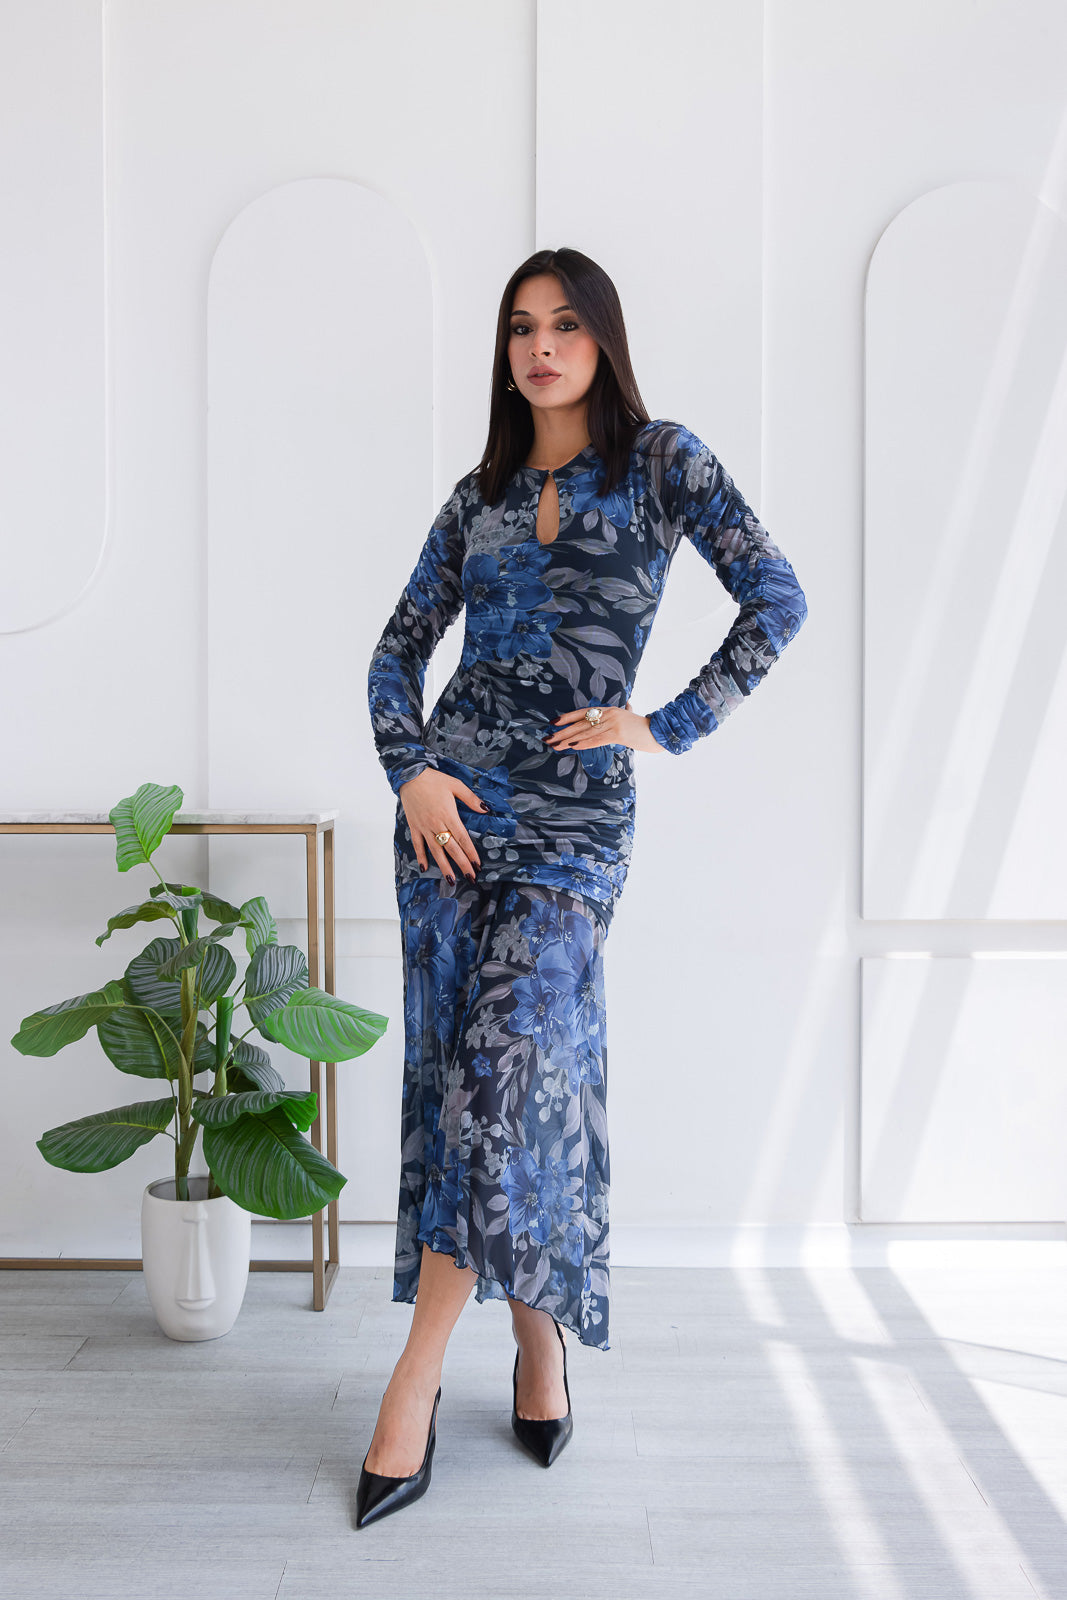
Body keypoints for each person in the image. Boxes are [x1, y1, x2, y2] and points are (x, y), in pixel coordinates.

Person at [359, 246, 808, 1526]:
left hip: (572, 830)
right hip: (452, 826)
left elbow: (775, 599)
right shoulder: (478, 497)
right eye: (519, 328)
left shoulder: (661, 462)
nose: (540, 347)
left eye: (563, 324)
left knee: (499, 1082)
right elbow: (394, 654)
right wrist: (411, 773)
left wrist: (662, 726)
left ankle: (411, 1382)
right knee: (471, 1089)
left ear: (602, 339)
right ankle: (536, 1337)